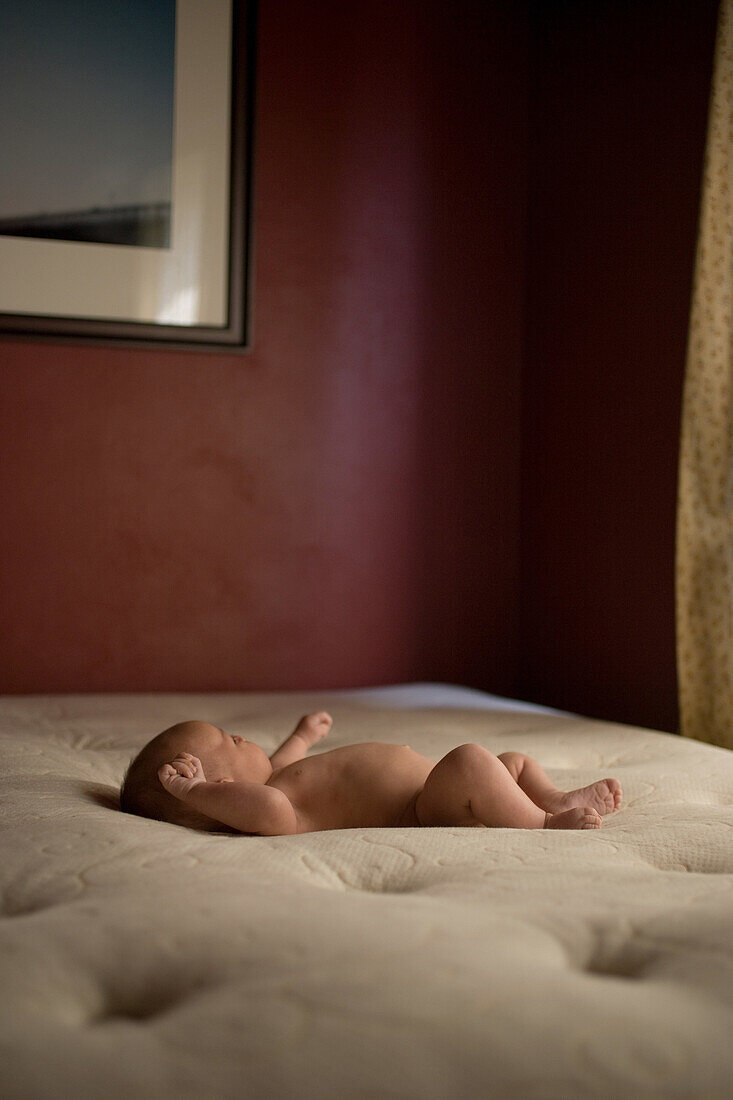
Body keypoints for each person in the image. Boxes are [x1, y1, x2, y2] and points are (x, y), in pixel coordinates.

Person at [120, 711, 622, 835]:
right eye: (231, 741)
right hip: (422, 809)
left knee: (508, 762)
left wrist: (303, 735)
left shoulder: (280, 780)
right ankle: (543, 826)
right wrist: (192, 790)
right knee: (473, 759)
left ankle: (550, 799)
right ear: (224, 789)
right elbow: (266, 807)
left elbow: (283, 761)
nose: (241, 736)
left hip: (433, 789)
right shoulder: (276, 808)